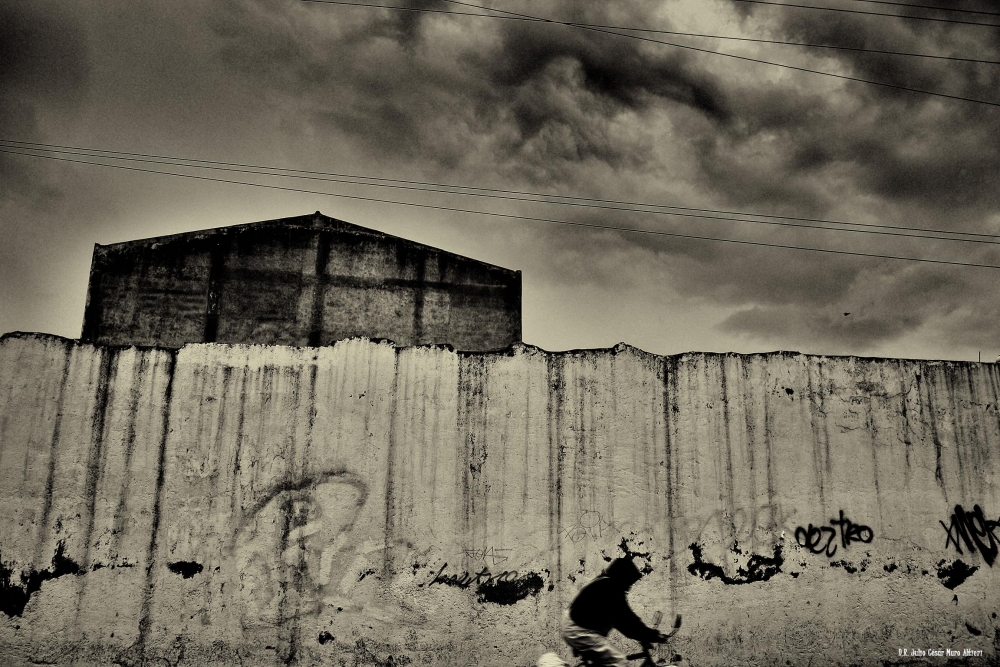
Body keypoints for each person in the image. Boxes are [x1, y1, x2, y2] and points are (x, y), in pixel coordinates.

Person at [562, 557, 668, 666]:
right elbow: (626, 622)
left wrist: (643, 636)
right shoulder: (610, 589)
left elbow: (626, 619)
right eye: (629, 582)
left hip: (576, 626)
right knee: (619, 662)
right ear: (622, 577)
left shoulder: (605, 582)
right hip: (579, 631)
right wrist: (651, 635)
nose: (629, 587)